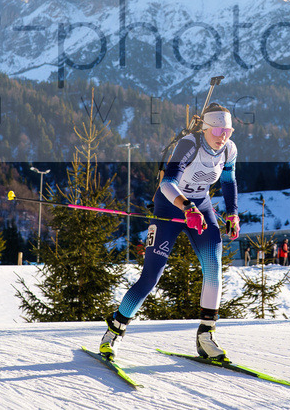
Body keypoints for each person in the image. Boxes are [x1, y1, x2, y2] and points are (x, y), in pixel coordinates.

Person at [100, 103, 239, 362]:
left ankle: (206, 336)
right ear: (207, 127)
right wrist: (186, 207)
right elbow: (168, 183)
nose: (223, 136)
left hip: (202, 206)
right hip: (170, 208)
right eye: (219, 129)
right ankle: (114, 332)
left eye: (228, 130)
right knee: (151, 277)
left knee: (214, 268)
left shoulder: (229, 149)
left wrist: (232, 212)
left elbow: (229, 181)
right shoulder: (189, 145)